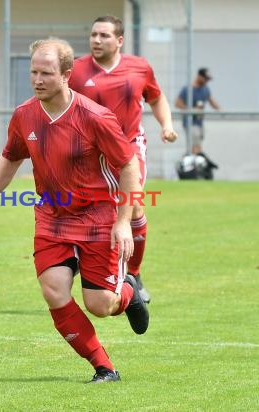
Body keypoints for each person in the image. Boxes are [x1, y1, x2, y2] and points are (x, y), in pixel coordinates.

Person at [0, 38, 149, 383]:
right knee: (53, 290)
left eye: (46, 73)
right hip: (52, 217)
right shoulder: (24, 115)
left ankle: (128, 292)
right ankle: (104, 367)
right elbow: (10, 157)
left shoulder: (95, 117)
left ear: (67, 75)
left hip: (99, 216)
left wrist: (124, 223)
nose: (37, 80)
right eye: (33, 72)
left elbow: (128, 167)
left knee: (100, 305)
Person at [68, 15, 178, 304]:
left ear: (119, 41)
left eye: (104, 35)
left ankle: (135, 274)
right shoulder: (76, 70)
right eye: (93, 34)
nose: (96, 40)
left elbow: (156, 97)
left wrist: (166, 125)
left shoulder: (139, 67)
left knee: (135, 207)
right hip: (88, 152)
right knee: (82, 205)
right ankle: (82, 256)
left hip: (129, 148)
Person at [175, 67, 221, 154]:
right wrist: (192, 110)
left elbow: (211, 101)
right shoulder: (187, 89)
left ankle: (191, 161)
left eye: (208, 79)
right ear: (199, 76)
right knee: (195, 146)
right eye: (205, 78)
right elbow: (177, 103)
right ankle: (193, 164)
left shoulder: (205, 89)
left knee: (198, 145)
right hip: (190, 123)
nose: (207, 81)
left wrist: (221, 110)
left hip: (200, 123)